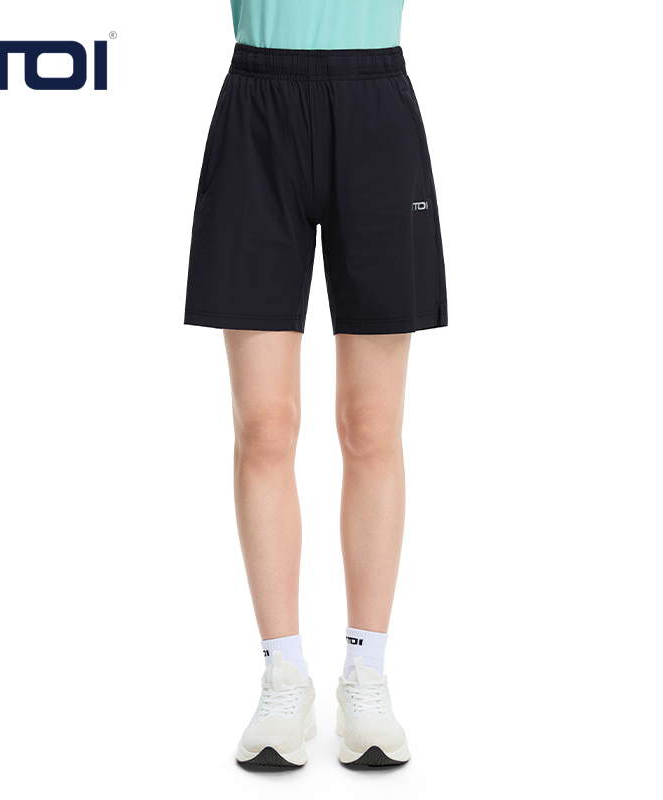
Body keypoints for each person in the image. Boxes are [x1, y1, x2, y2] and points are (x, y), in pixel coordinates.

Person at [184, 0, 448, 768]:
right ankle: (284, 675)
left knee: (370, 425)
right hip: (259, 108)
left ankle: (367, 675)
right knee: (266, 424)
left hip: (374, 105)